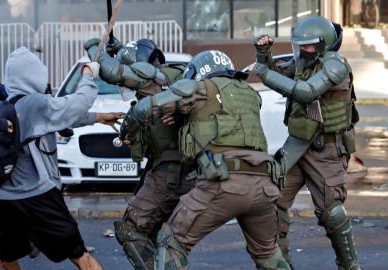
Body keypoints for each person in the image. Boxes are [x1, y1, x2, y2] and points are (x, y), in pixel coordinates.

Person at [122, 50, 289, 270]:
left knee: (170, 244)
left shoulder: (200, 88)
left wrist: (128, 129)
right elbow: (217, 115)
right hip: (266, 186)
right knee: (268, 254)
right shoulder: (249, 93)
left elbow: (147, 108)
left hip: (224, 183)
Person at [0, 46, 123, 270]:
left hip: (4, 196)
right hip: (38, 195)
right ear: (36, 76)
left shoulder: (7, 107)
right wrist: (88, 75)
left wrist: (98, 118)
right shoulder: (34, 103)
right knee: (80, 255)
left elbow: (56, 116)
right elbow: (76, 104)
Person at [249, 16, 361, 270]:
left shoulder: (336, 66)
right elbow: (281, 76)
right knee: (271, 199)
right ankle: (281, 264)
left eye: (309, 45)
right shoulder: (305, 61)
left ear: (324, 44)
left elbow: (306, 92)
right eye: (300, 45)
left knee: (331, 213)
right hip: (298, 145)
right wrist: (263, 53)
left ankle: (350, 266)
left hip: (327, 149)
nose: (303, 50)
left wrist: (264, 75)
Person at [84, 38, 193, 270]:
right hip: (185, 170)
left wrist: (95, 48)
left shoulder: (150, 78)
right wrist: (117, 49)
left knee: (131, 229)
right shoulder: (175, 76)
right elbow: (135, 61)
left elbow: (112, 72)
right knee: (157, 236)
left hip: (169, 173)